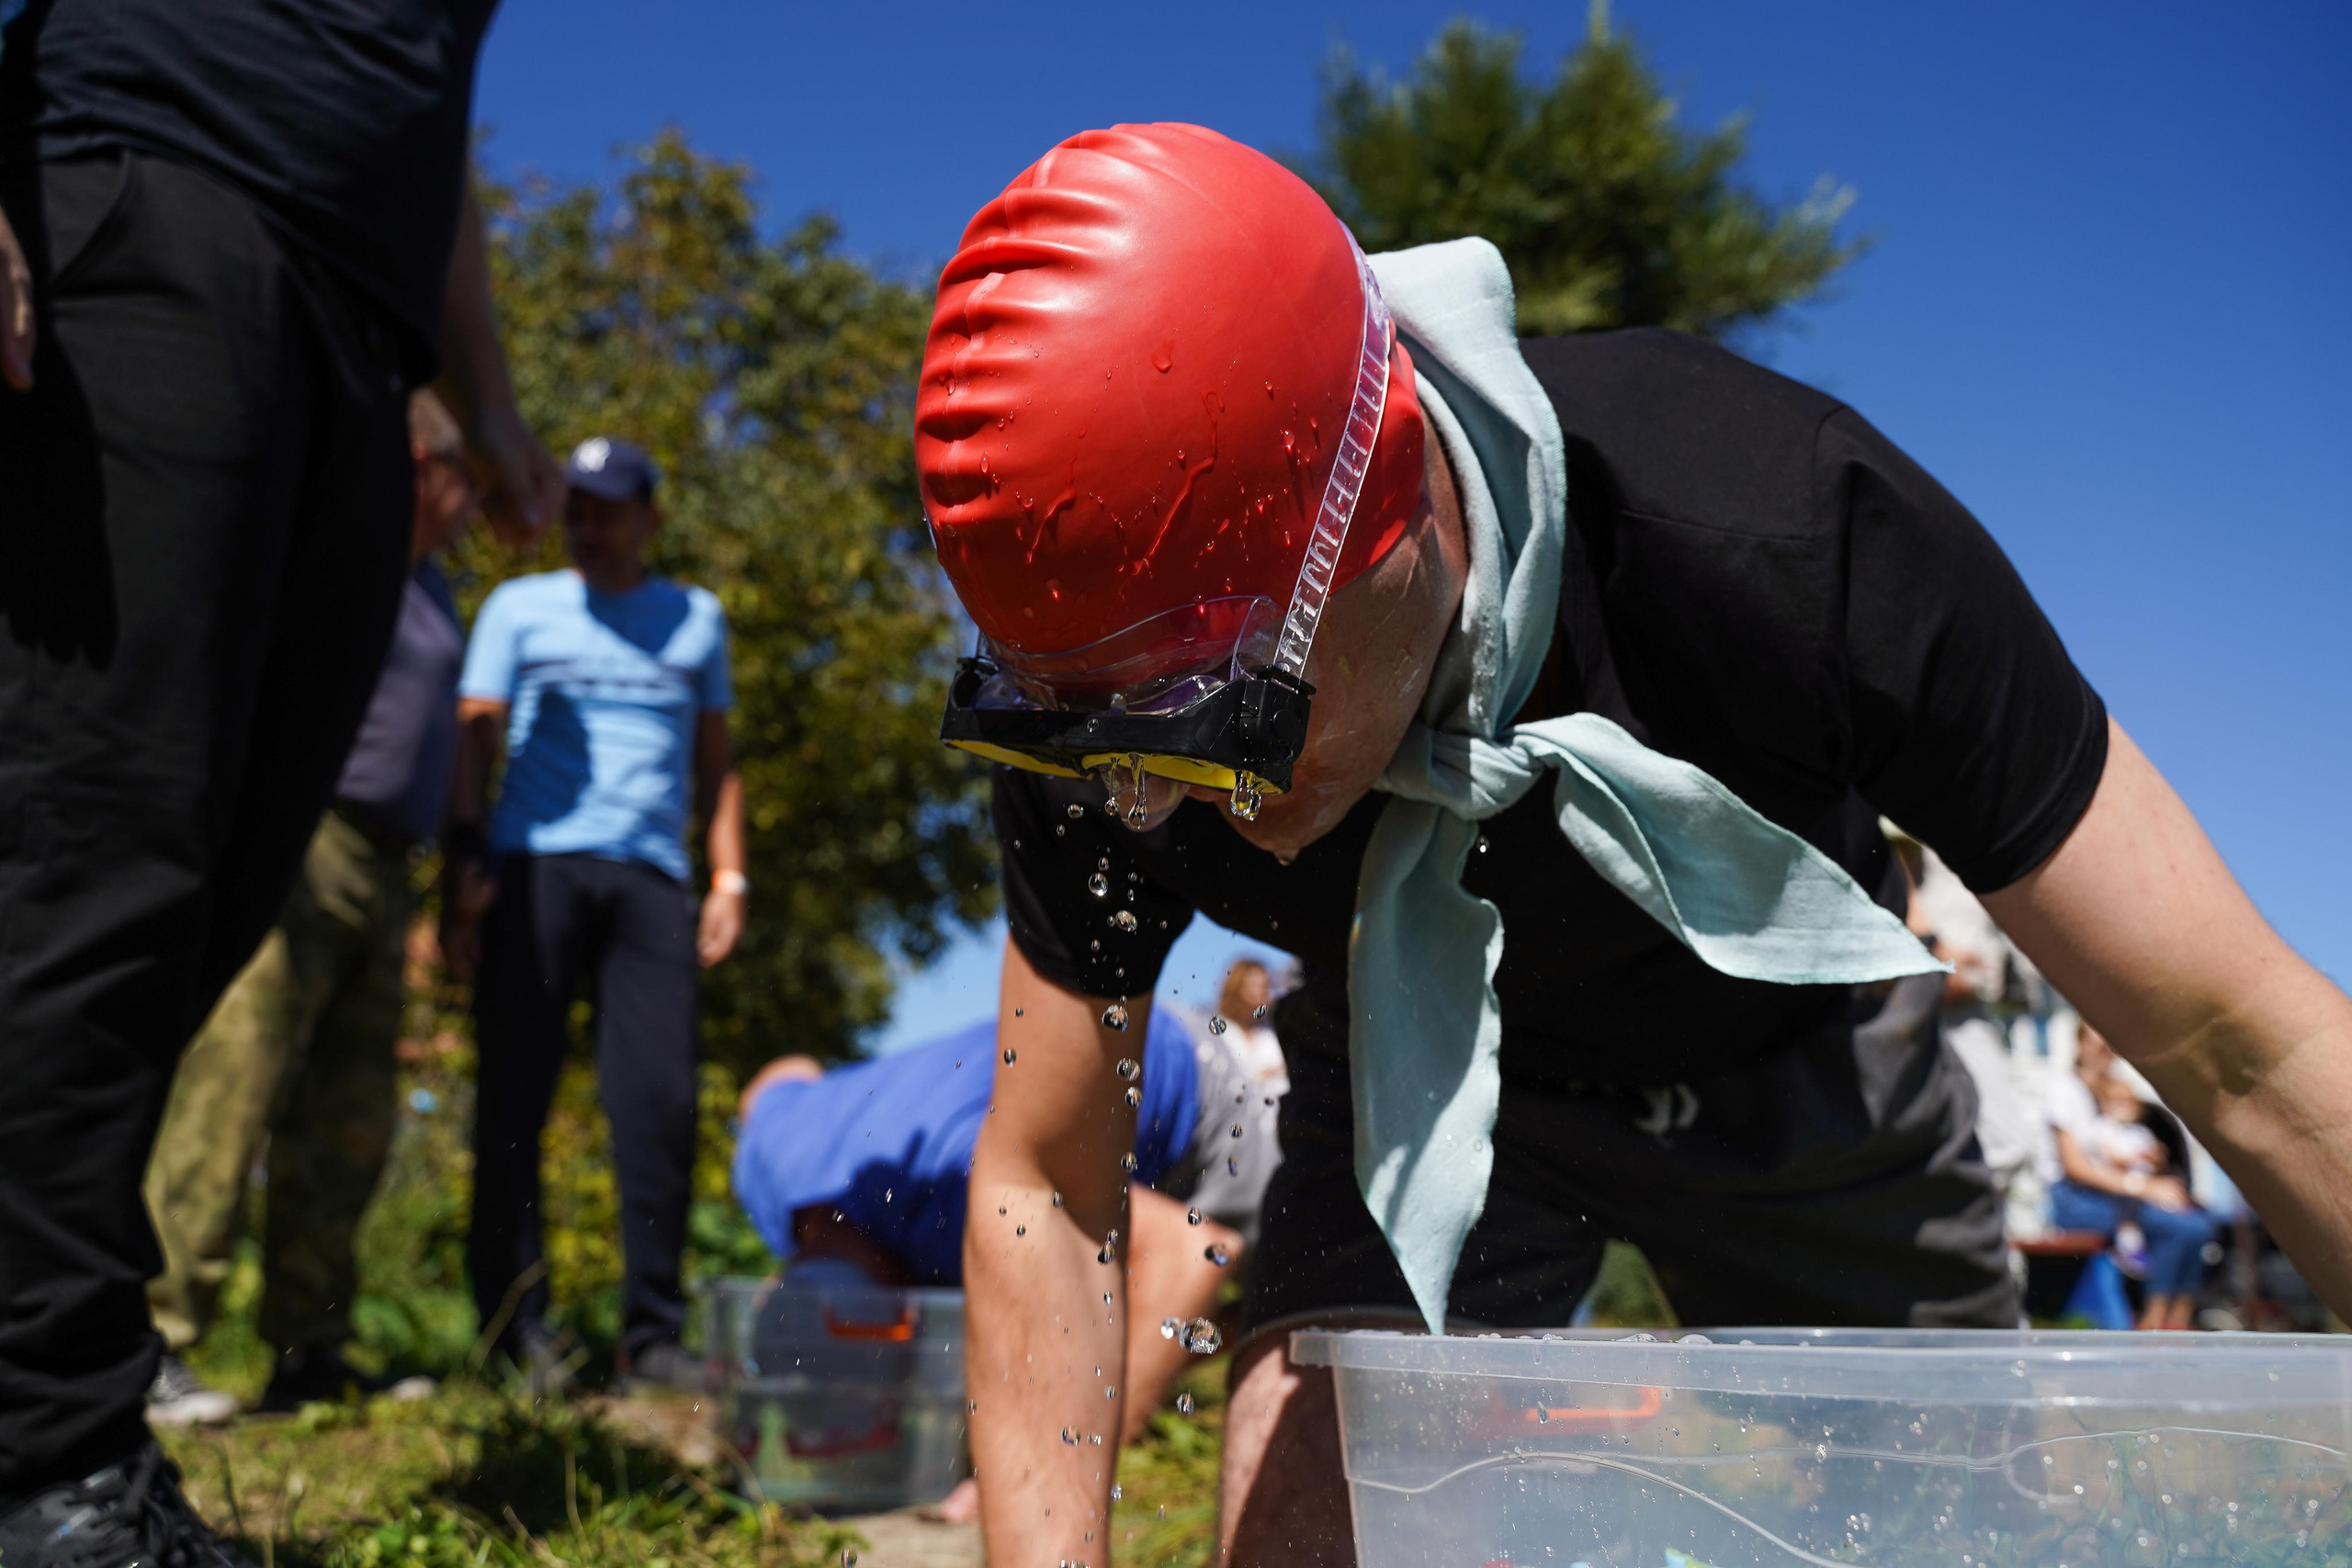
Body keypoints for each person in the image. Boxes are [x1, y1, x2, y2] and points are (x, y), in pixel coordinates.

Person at [907, 123, 2352, 1568]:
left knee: (1951, 1535)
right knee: (1312, 1539)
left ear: (1396, 495)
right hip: (1418, 1065)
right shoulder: (1102, 720)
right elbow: (1049, 1185)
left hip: (1808, 1056)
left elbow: (2241, 1040)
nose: (1144, 805)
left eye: (1215, 718)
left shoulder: (1782, 530)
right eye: (1086, 735)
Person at [0, 2, 562, 1559]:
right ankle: (46, 1466)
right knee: (86, 860)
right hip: (151, 199)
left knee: (201, 897)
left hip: (361, 335)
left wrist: (487, 400)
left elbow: (428, 109)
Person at [135, 391, 481, 1429]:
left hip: (389, 864)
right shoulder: (333, 547)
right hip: (304, 836)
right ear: (422, 465)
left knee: (351, 1114)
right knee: (235, 1082)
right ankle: (154, 1338)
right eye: (465, 478)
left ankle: (309, 1348)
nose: (474, 502)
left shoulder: (437, 589)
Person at [445, 436, 746, 1392]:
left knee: (658, 1103)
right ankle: (514, 1328)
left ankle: (651, 1334)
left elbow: (715, 761)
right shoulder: (518, 609)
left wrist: (728, 876)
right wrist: (461, 864)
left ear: (650, 518)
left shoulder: (696, 620)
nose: (589, 526)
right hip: (534, 867)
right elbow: (472, 740)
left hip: (650, 880)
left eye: (609, 510)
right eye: (577, 508)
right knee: (513, 1096)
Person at [731, 1007, 1255, 1517]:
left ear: (905, 1323)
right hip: (1111, 1031)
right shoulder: (767, 1165)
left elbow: (1189, 1254)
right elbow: (779, 1076)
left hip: (1210, 1087)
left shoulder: (953, 1191)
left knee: (1288, 1303)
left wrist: (1040, 1475)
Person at [2038, 1028, 2217, 1331]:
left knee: (2200, 1224)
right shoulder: (2065, 1092)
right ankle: (2154, 1320)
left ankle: (2179, 1317)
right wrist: (2145, 1187)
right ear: (2080, 1046)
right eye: (2101, 1047)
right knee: (2178, 1228)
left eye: (2112, 1048)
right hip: (2074, 1199)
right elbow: (2076, 1168)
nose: (2108, 1055)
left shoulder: (2109, 1094)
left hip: (2110, 1196)